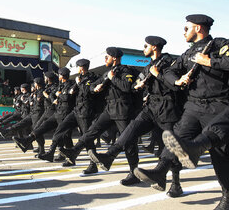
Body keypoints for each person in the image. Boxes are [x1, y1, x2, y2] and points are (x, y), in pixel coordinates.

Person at [133, 14, 229, 203]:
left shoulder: (219, 45)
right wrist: (177, 79)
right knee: (176, 138)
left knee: (220, 156)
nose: (183, 32)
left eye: (187, 28)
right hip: (193, 105)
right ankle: (160, 171)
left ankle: (226, 196)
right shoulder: (187, 54)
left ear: (198, 29)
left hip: (218, 105)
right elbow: (170, 71)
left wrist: (209, 62)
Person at [89, 38, 183, 193]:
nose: (143, 48)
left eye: (146, 46)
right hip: (151, 108)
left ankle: (175, 183)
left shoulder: (168, 63)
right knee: (130, 130)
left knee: (168, 147)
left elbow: (175, 85)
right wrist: (138, 86)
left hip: (167, 109)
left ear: (154, 47)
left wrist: (158, 75)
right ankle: (109, 156)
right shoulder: (147, 67)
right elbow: (133, 86)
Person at [60, 48, 138, 177]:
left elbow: (126, 87)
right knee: (92, 131)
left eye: (107, 57)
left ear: (114, 58)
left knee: (128, 141)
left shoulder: (125, 71)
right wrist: (95, 88)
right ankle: (74, 151)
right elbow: (92, 86)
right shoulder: (107, 73)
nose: (105, 59)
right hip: (109, 108)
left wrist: (113, 78)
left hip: (122, 109)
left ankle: (133, 172)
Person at [162, 106, 229, 209]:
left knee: (220, 154)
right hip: (196, 104)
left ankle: (196, 148)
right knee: (178, 136)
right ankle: (161, 171)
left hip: (217, 103)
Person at [12, 67, 76, 162]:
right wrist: (54, 97)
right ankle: (27, 140)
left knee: (64, 136)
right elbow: (55, 96)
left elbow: (65, 97)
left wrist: (55, 95)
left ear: (62, 76)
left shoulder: (70, 85)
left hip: (66, 113)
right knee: (43, 126)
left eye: (59, 74)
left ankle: (67, 156)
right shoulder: (60, 86)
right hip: (57, 111)